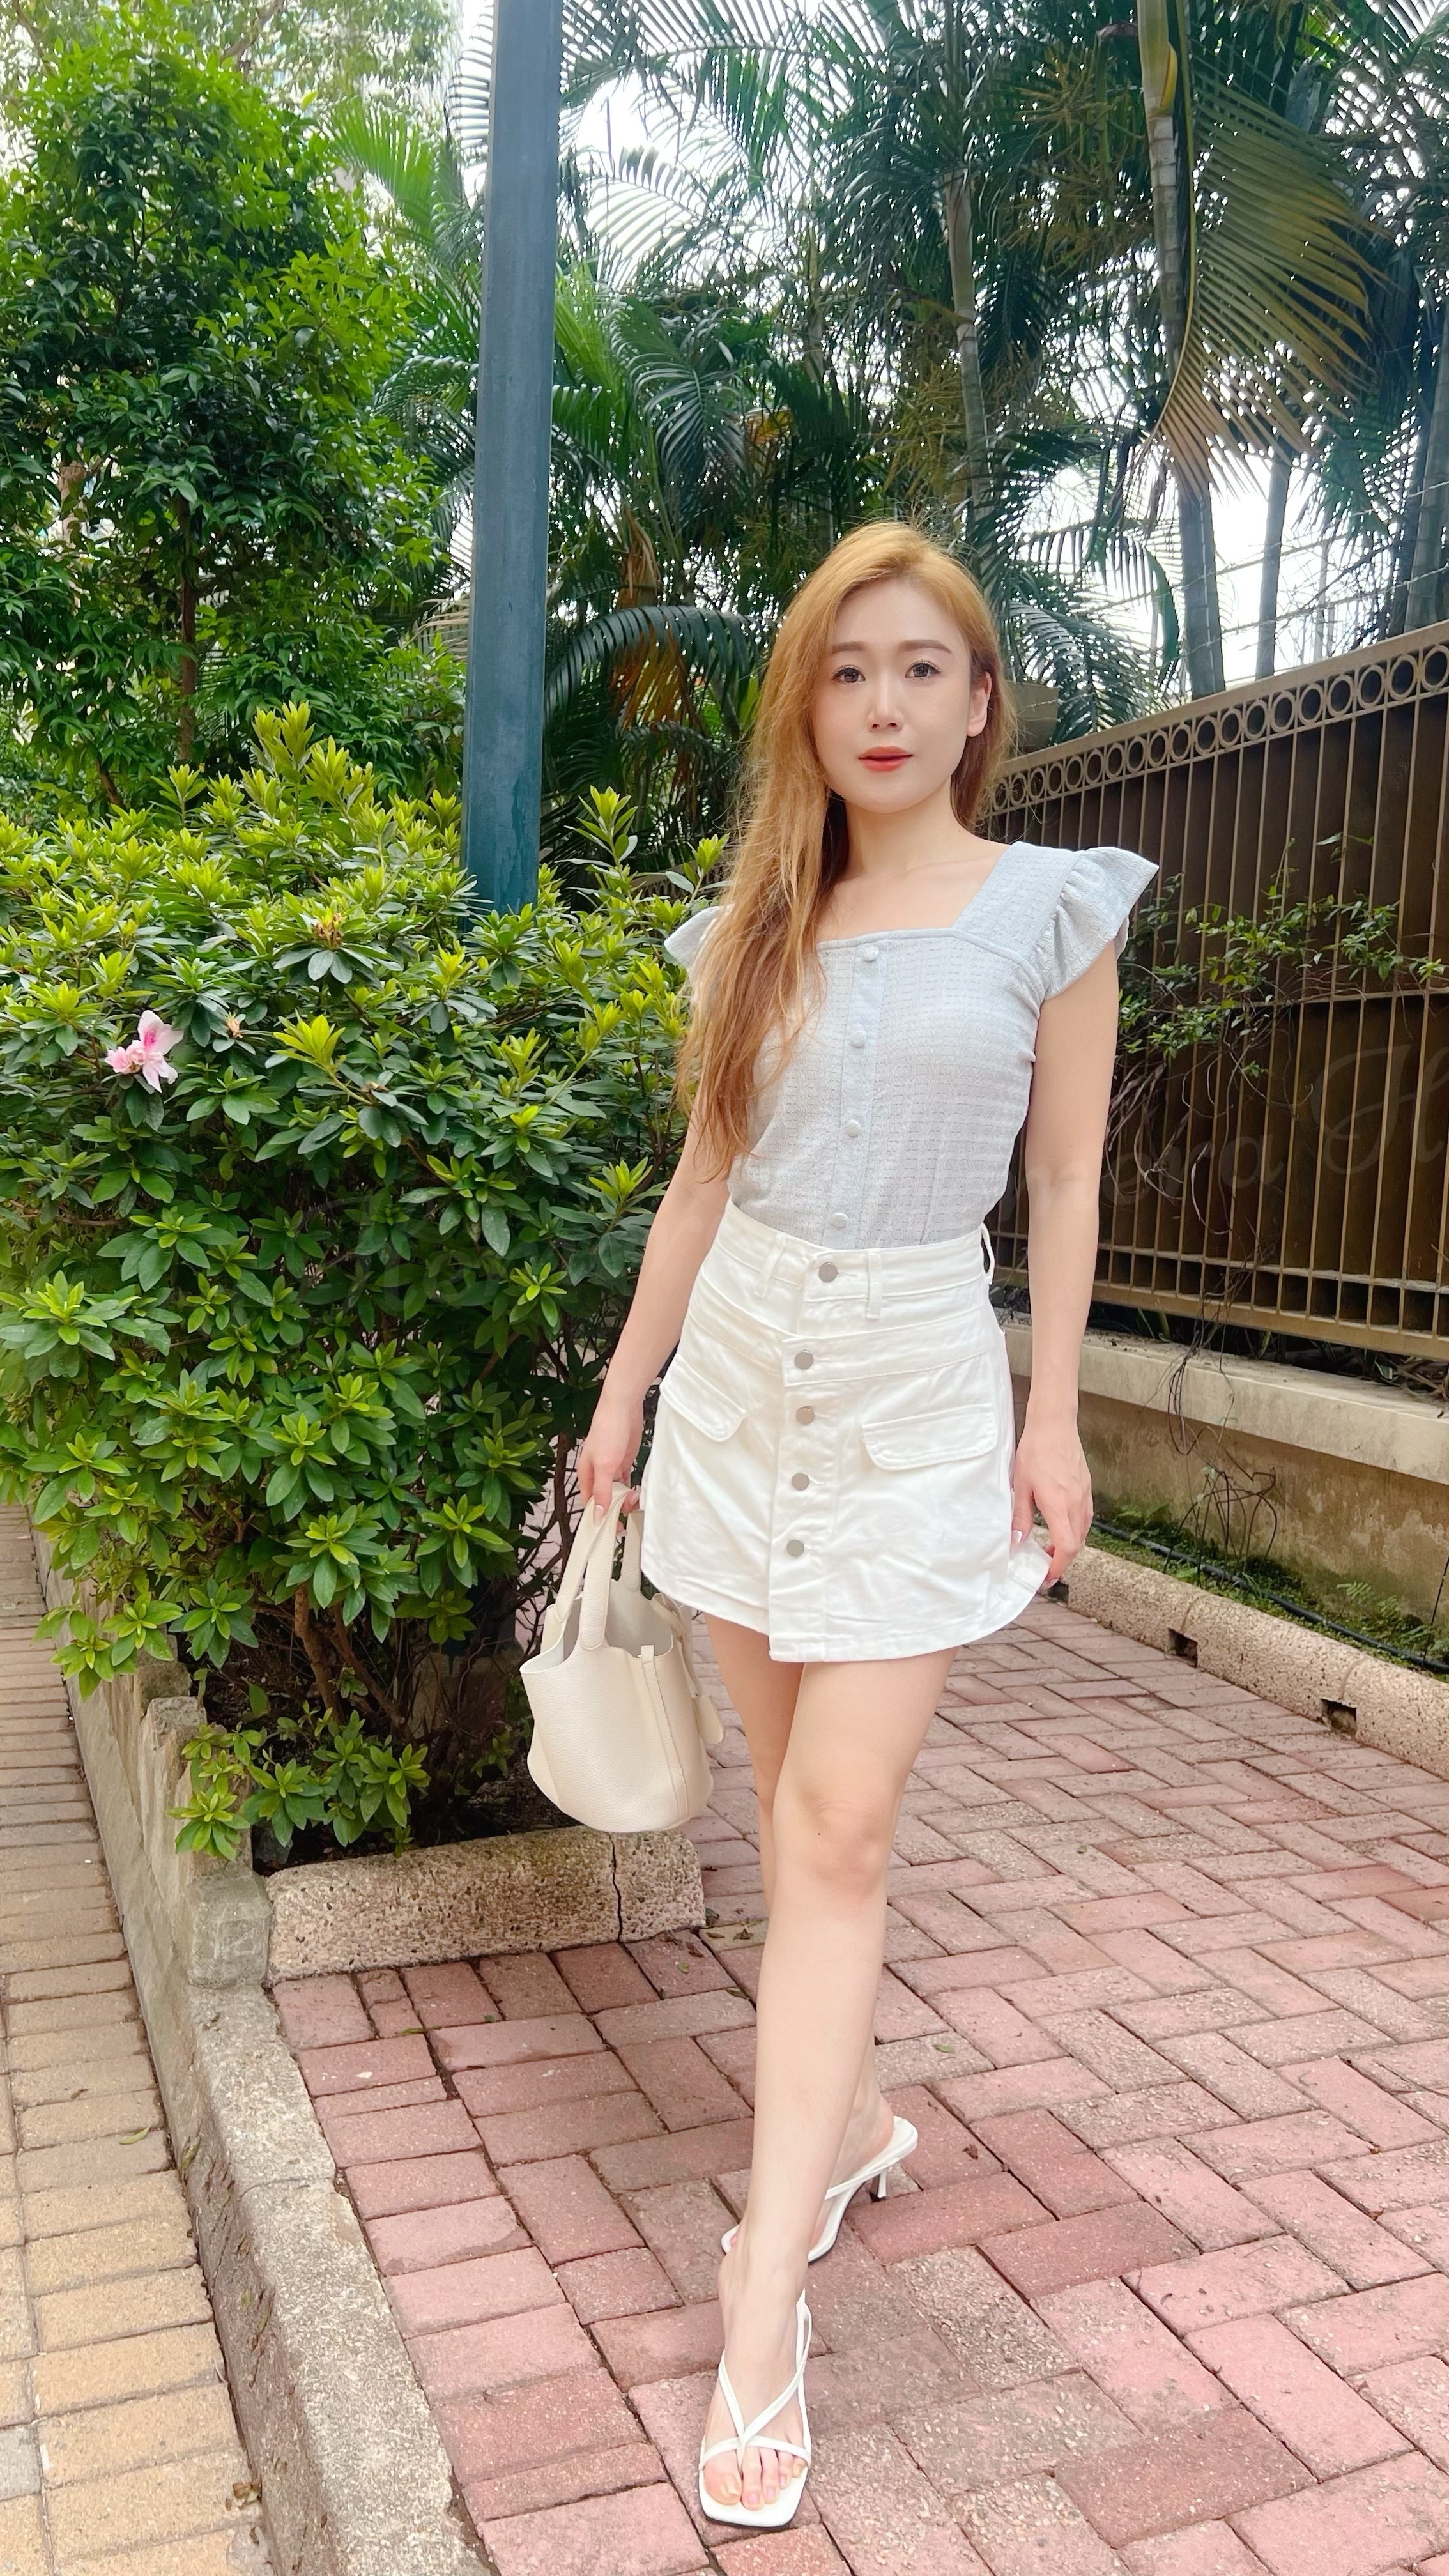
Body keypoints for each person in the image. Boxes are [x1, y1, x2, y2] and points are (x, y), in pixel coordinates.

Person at [574, 521, 1156, 2530]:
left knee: (836, 1830)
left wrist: (1053, 1418)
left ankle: (762, 2293)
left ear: (978, 702)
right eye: (845, 672)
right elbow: (697, 1184)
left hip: (914, 1380)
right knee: (781, 1804)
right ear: (803, 710)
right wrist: (625, 1396)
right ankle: (841, 2130)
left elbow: (1064, 1182)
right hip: (740, 1378)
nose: (882, 706)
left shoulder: (1050, 912)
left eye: (919, 669)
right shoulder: (749, 926)